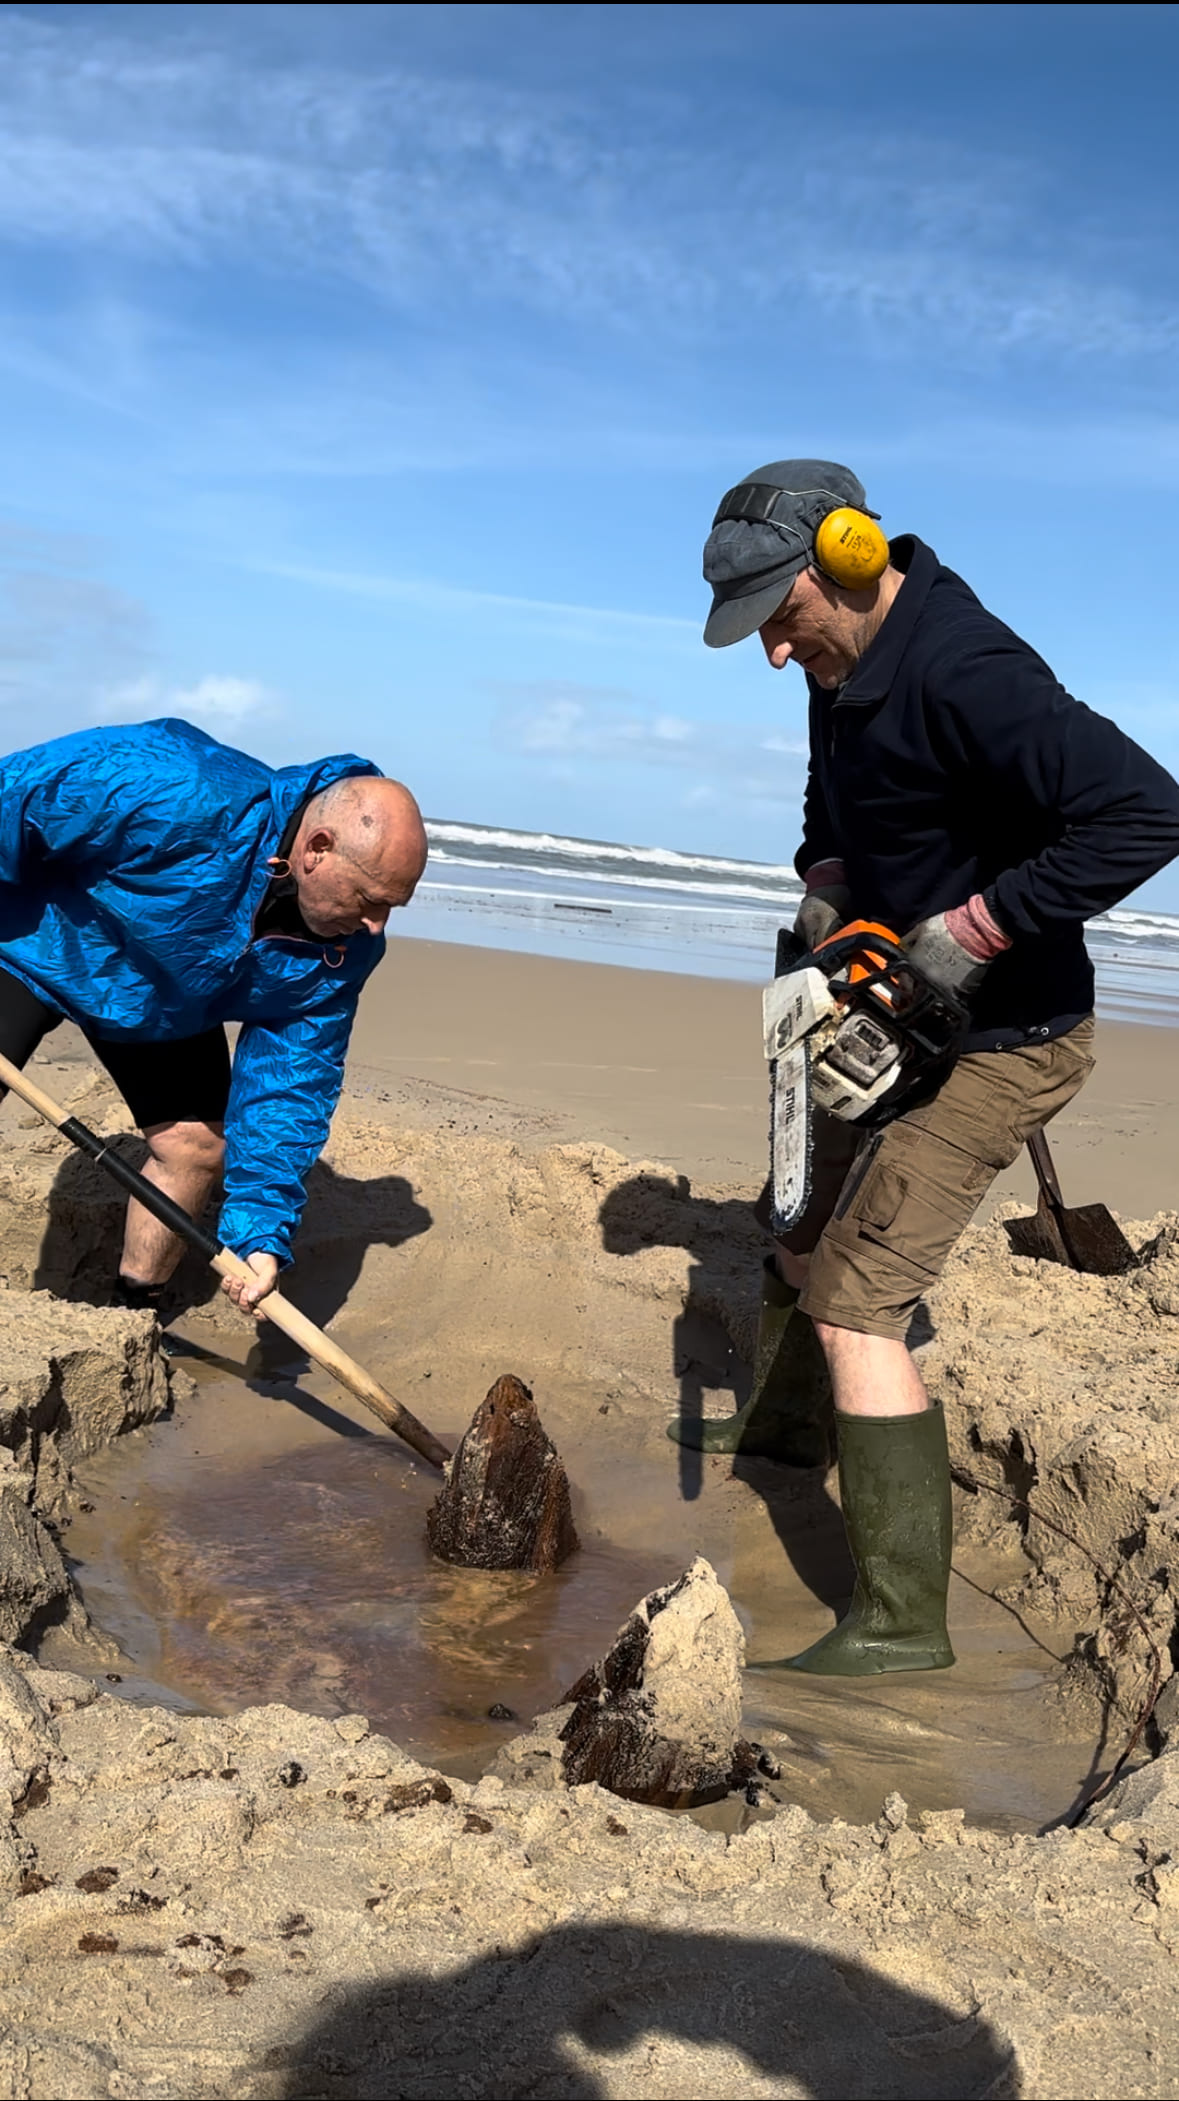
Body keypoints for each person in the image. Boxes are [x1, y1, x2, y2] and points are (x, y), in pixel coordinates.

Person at [678, 458, 1179, 1677]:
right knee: (799, 1219)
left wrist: (979, 931)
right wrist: (829, 881)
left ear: (845, 560)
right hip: (879, 1007)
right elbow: (835, 786)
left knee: (859, 1310)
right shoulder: (845, 662)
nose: (778, 659)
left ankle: (903, 1625)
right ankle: (790, 1437)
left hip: (1003, 1042)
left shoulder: (971, 672)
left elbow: (1150, 813)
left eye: (783, 623)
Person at [0, 716, 427, 1315]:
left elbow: (290, 1082)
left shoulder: (346, 948)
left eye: (393, 907)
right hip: (36, 945)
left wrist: (260, 1236)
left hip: (165, 1007)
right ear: (317, 849)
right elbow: (16, 797)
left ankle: (129, 1318)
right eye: (371, 899)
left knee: (197, 1148)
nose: (377, 925)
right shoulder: (179, 786)